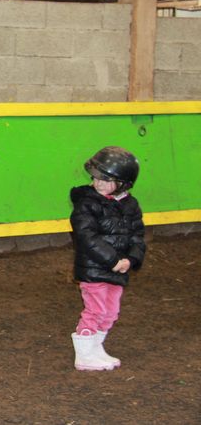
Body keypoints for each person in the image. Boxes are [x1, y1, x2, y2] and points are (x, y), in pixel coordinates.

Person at [69, 146, 146, 371]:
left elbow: (137, 236)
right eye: (95, 177)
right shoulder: (86, 203)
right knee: (96, 310)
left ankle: (96, 348)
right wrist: (113, 260)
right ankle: (84, 355)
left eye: (105, 179)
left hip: (118, 269)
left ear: (123, 183)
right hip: (94, 269)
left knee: (111, 312)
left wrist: (131, 260)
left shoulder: (131, 205)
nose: (98, 182)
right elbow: (87, 237)